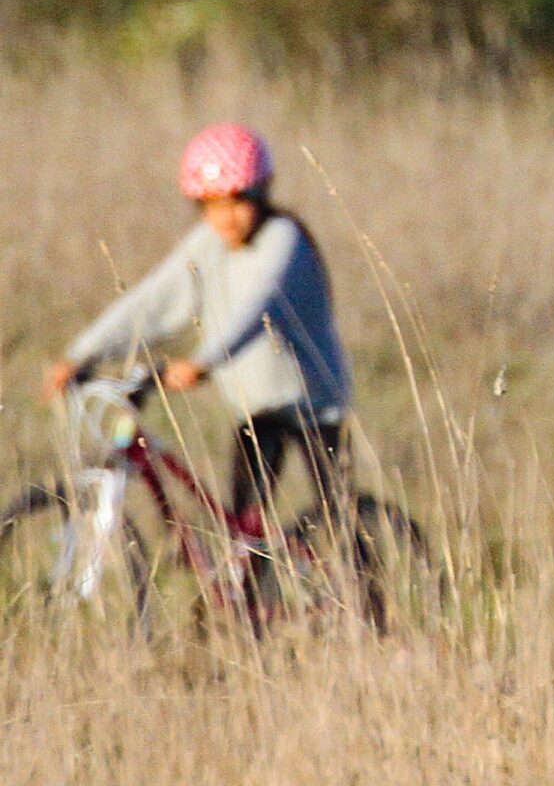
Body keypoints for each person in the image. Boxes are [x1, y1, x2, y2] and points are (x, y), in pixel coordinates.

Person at [44, 122, 353, 538]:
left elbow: (257, 307)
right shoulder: (208, 243)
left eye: (238, 200)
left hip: (314, 404)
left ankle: (367, 595)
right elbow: (153, 300)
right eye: (211, 204)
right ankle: (248, 596)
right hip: (257, 410)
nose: (225, 215)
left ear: (263, 192)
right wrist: (82, 353)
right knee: (244, 532)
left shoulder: (285, 241)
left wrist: (204, 361)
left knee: (340, 516)